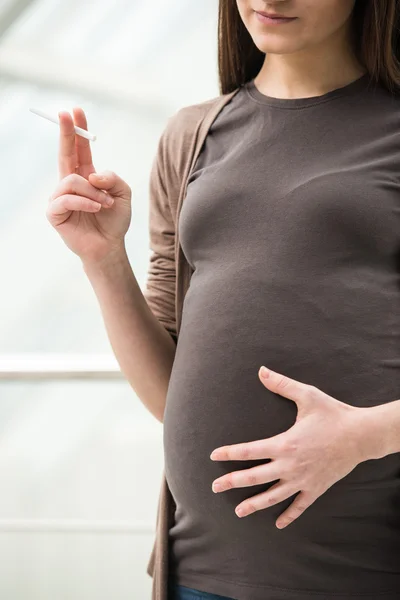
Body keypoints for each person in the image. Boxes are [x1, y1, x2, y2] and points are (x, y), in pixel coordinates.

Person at [46, 1, 400, 599]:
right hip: (200, 574)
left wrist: (363, 435)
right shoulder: (191, 137)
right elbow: (168, 394)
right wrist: (102, 259)